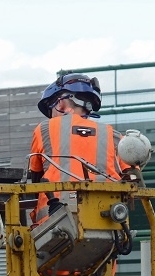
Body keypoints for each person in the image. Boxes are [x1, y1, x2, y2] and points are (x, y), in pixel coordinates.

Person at [28, 73, 127, 226]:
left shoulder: (45, 129)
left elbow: (35, 178)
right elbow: (132, 177)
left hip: (54, 223)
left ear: (60, 103)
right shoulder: (114, 136)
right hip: (109, 224)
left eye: (50, 109)